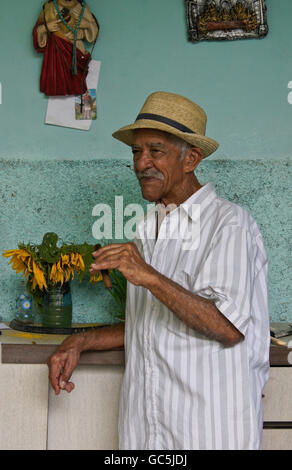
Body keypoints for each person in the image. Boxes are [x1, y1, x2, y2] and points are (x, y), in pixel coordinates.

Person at [47, 91, 270, 450]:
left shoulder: (229, 225)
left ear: (191, 159)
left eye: (156, 151)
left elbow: (228, 327)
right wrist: (81, 341)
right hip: (147, 429)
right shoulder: (149, 227)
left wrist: (147, 274)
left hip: (208, 431)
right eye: (136, 152)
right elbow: (151, 321)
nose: (141, 163)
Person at [33, 0, 99, 96]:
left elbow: (93, 34)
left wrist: (88, 24)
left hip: (76, 53)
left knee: (78, 86)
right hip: (56, 55)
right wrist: (45, 28)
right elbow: (37, 31)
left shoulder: (82, 7)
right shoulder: (49, 6)